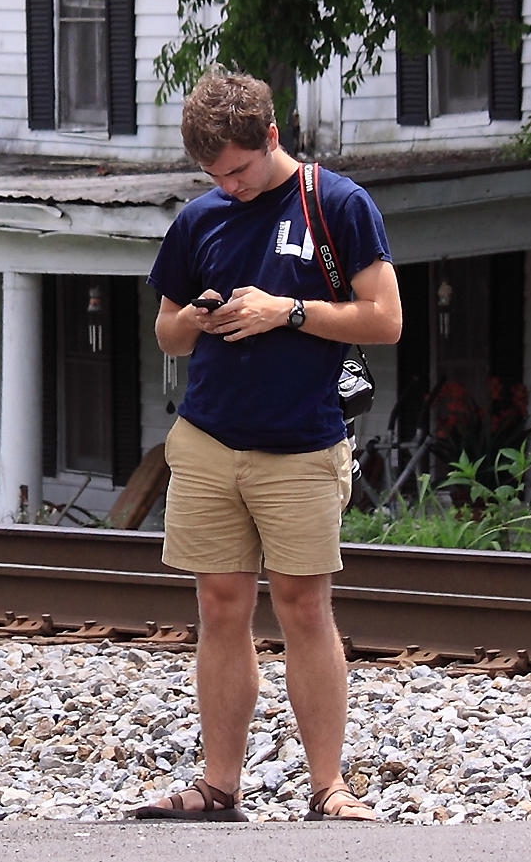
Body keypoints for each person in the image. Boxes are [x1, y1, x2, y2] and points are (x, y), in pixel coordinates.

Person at [133, 67, 401, 823]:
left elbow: (384, 319)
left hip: (303, 440)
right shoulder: (199, 218)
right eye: (216, 176)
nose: (232, 186)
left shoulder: (339, 204)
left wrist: (287, 312)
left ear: (272, 136)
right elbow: (166, 330)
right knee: (219, 606)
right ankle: (219, 786)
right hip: (211, 435)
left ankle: (330, 787)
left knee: (302, 606)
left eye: (241, 171)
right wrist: (202, 317)